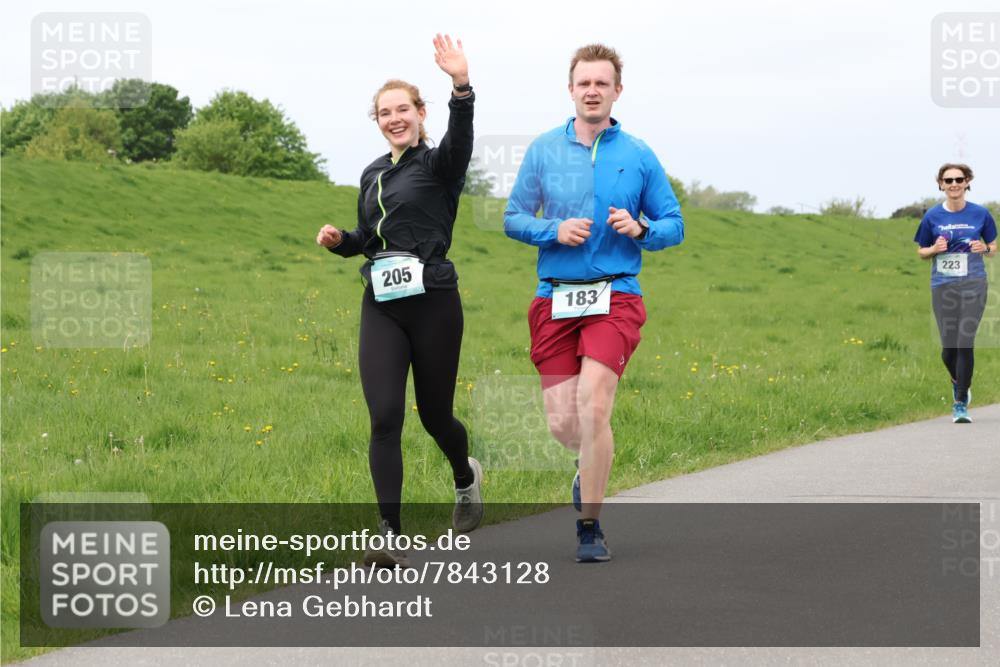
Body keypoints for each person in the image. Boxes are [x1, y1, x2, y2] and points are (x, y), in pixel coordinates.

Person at [503, 44, 684, 562]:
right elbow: (514, 218)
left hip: (616, 294)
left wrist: (642, 227)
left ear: (616, 91)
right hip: (555, 297)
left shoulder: (638, 154)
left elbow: (675, 224)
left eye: (602, 83)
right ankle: (589, 463)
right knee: (564, 424)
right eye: (584, 82)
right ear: (571, 89)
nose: (592, 90)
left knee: (595, 403)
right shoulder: (543, 150)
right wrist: (553, 229)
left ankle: (590, 527)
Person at [316, 34, 483, 567]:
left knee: (436, 417)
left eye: (403, 109)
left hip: (433, 301)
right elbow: (369, 238)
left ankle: (465, 476)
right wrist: (343, 241)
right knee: (385, 417)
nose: (394, 118)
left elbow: (461, 140)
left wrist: (462, 85)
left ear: (419, 113)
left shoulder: (439, 165)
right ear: (377, 119)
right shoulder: (371, 174)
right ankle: (388, 531)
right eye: (385, 112)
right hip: (382, 303)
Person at [914, 163, 997, 424]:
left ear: (967, 182)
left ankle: (960, 402)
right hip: (943, 286)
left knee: (965, 342)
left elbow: (993, 248)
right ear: (940, 184)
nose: (953, 184)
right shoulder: (932, 217)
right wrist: (934, 249)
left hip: (974, 284)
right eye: (948, 180)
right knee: (948, 349)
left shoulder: (981, 214)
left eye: (958, 179)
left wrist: (983, 248)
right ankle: (956, 380)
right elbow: (921, 251)